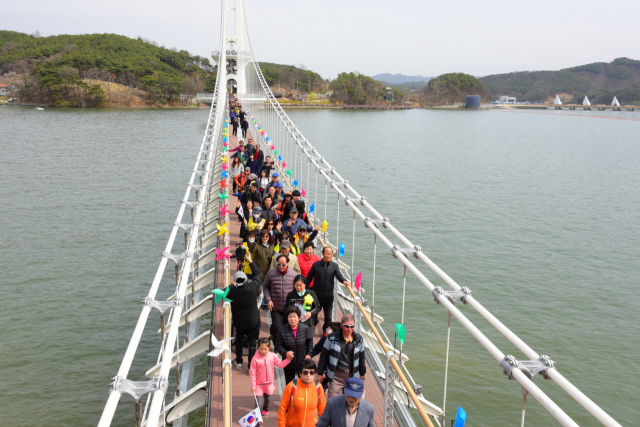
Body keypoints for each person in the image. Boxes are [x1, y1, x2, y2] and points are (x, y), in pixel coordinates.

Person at [316, 314, 367, 399]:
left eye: (352, 326)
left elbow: (361, 357)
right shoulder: (332, 338)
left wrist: (362, 373)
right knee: (333, 402)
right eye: (347, 326)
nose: (349, 329)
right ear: (341, 324)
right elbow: (324, 356)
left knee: (350, 401)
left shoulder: (359, 339)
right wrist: (320, 373)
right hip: (336, 376)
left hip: (352, 375)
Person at [226, 252, 262, 370]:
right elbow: (257, 275)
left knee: (239, 341)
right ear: (246, 280)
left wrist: (231, 286)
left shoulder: (232, 291)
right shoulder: (252, 289)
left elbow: (222, 293)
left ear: (236, 282)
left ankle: (239, 361)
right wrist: (251, 262)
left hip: (239, 323)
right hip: (253, 321)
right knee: (252, 344)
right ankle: (251, 364)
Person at [305, 247, 351, 330]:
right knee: (314, 313)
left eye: (330, 254)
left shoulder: (334, 266)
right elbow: (309, 277)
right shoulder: (316, 265)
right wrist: (304, 290)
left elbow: (339, 275)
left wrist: (344, 281)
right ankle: (315, 323)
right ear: (323, 254)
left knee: (328, 317)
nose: (329, 256)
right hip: (316, 295)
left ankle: (325, 330)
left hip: (328, 296)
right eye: (327, 254)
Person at [251, 337, 293, 417]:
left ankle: (266, 407)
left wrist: (288, 360)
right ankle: (256, 419)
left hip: (269, 384)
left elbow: (280, 365)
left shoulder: (273, 356)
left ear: (269, 348)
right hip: (258, 384)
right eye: (261, 349)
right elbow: (252, 373)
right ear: (258, 348)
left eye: (265, 349)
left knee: (267, 399)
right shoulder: (255, 359)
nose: (263, 351)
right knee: (258, 403)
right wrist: (253, 385)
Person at [278, 359, 326, 427]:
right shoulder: (291, 387)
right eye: (305, 372)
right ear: (300, 373)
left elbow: (322, 410)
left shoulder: (318, 387)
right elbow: (282, 409)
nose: (309, 375)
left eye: (311, 372)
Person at [275, 305, 314, 384]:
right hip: (289, 363)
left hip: (303, 362)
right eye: (290, 317)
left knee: (305, 383)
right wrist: (286, 353)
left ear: (299, 318)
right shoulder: (282, 330)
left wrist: (309, 354)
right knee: (290, 384)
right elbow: (278, 346)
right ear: (287, 318)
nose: (292, 319)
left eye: (295, 316)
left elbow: (309, 341)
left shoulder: (305, 328)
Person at [263, 254, 297, 339]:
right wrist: (268, 300)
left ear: (287, 264)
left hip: (288, 308)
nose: (281, 267)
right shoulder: (271, 273)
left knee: (287, 327)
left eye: (283, 265)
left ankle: (284, 346)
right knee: (277, 327)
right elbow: (266, 287)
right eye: (279, 264)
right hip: (275, 307)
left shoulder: (294, 275)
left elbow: (297, 290)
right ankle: (276, 346)